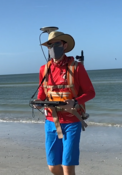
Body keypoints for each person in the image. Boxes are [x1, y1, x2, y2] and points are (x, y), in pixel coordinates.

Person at [35, 31, 95, 175]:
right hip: (51, 121)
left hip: (72, 121)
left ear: (65, 45)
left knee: (68, 166)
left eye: (57, 44)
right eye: (50, 45)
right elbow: (41, 95)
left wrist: (74, 102)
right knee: (53, 166)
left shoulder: (77, 67)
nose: (53, 47)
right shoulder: (44, 69)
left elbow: (91, 93)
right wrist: (38, 103)